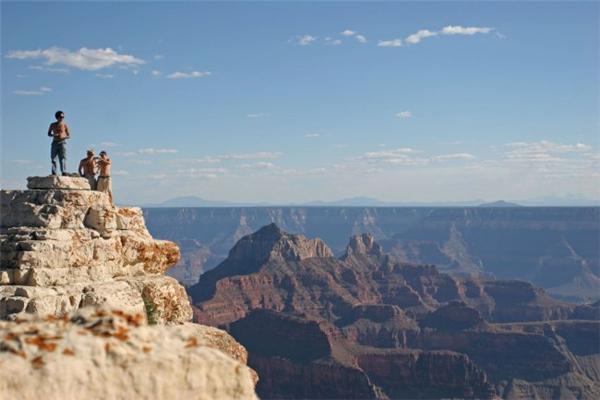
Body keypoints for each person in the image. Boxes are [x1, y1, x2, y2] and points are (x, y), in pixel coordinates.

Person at [47, 110, 70, 175]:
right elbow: (48, 133)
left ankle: (63, 171)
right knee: (53, 158)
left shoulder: (65, 124)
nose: (62, 118)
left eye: (63, 117)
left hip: (62, 142)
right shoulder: (52, 124)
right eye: (61, 117)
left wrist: (63, 136)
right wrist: (53, 135)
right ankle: (54, 172)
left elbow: (69, 135)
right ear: (57, 117)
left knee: (63, 158)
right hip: (55, 142)